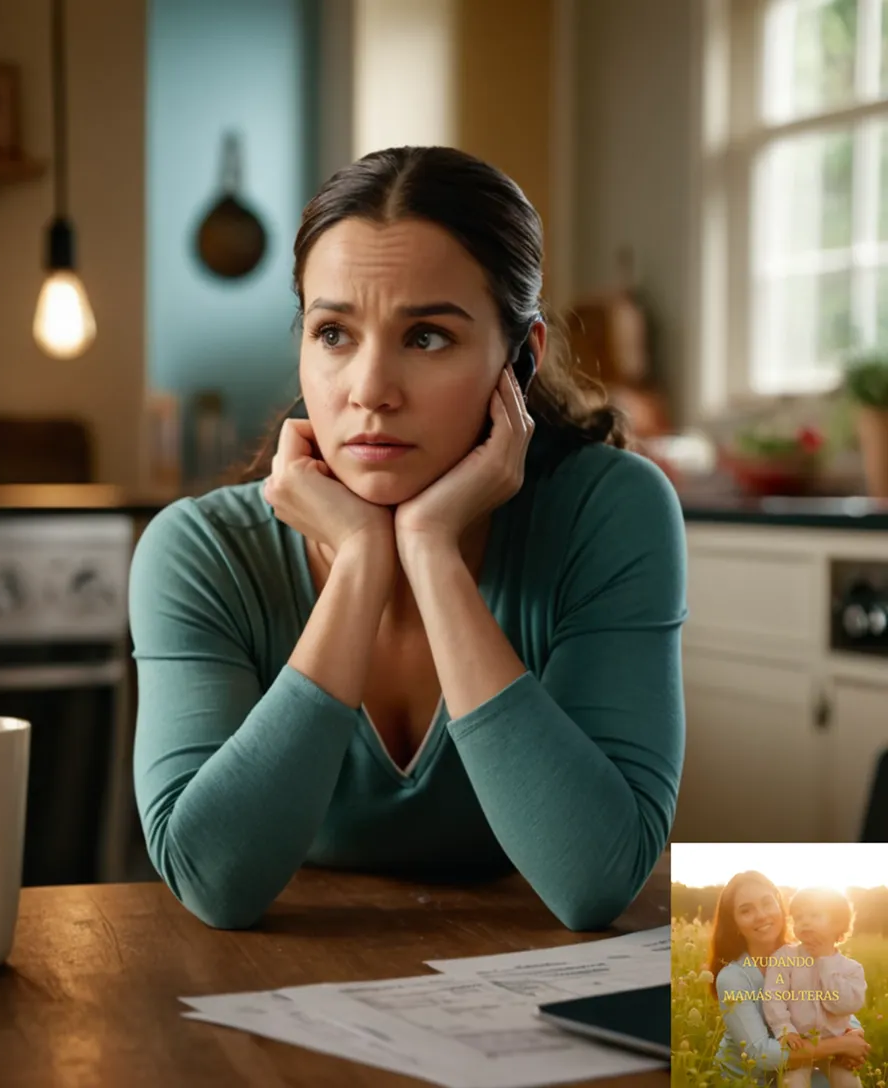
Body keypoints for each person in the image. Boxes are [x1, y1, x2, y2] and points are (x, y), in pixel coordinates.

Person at [129, 145, 687, 931]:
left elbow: (593, 879)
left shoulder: (609, 511)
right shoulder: (202, 552)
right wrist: (361, 564)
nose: (369, 391)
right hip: (285, 977)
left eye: (426, 337)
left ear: (520, 361)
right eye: (333, 333)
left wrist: (427, 549)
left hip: (528, 976)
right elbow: (212, 882)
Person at [707, 872, 870, 1086]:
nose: (761, 915)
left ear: (780, 906)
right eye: (746, 910)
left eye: (767, 903)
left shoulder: (809, 952)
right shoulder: (733, 978)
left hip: (803, 1063)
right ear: (734, 923)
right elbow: (761, 1053)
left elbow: (833, 1005)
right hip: (749, 1079)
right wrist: (841, 1045)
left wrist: (854, 1033)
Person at [762, 887, 866, 1088]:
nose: (805, 922)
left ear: (838, 924)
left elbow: (844, 1006)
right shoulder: (784, 957)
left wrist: (825, 962)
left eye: (815, 915)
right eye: (798, 917)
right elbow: (773, 996)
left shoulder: (851, 969)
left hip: (837, 1047)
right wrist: (784, 1029)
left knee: (849, 1083)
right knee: (792, 1083)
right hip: (799, 1043)